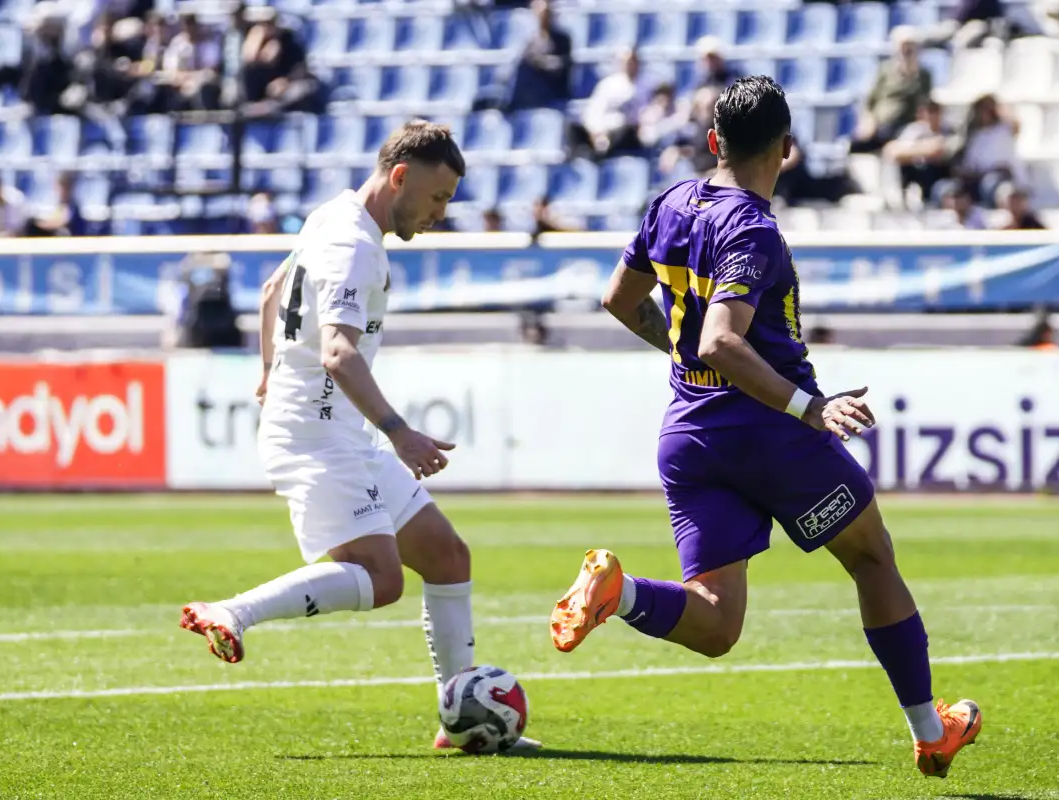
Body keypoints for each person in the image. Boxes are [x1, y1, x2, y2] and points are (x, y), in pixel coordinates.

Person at [547, 76, 981, 779]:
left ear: (714, 141)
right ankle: (932, 732)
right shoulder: (751, 226)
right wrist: (809, 408)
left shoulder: (669, 203)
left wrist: (681, 353)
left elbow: (618, 298)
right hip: (772, 436)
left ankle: (618, 592)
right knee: (871, 558)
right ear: (787, 148)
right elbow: (722, 339)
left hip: (689, 434)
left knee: (716, 626)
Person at [179, 120, 539, 752]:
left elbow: (270, 291)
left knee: (447, 556)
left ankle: (460, 721)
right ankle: (233, 613)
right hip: (316, 438)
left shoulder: (332, 217)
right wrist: (399, 432)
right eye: (436, 198)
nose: (440, 213)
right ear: (400, 176)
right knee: (381, 578)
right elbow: (340, 354)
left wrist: (269, 370)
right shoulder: (354, 244)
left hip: (334, 431)